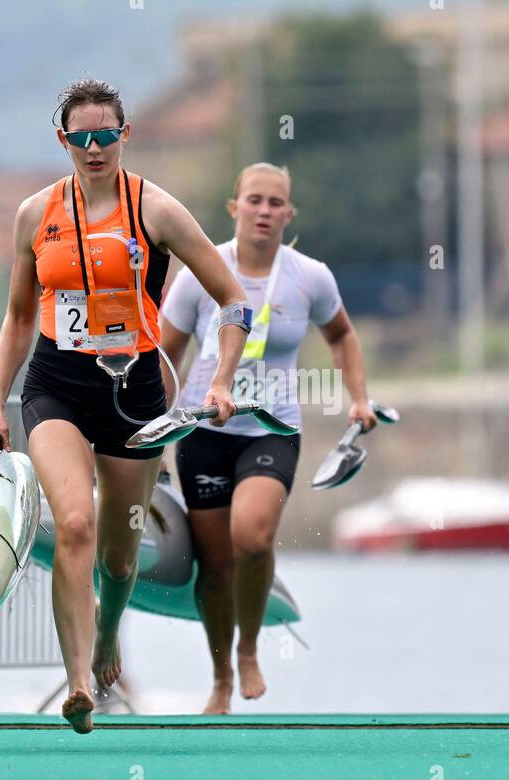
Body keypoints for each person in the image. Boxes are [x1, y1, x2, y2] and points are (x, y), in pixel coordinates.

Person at [0, 79, 250, 734]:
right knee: (72, 523)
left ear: (125, 135)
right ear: (62, 140)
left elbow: (234, 300)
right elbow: (18, 316)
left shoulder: (156, 212)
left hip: (135, 399)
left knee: (120, 560)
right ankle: (78, 682)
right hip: (56, 387)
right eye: (82, 137)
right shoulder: (34, 215)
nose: (95, 148)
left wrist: (222, 381)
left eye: (106, 135)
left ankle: (106, 639)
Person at [160, 163, 376, 714]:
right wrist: (156, 436)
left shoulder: (309, 277)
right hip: (203, 430)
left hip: (271, 429)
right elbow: (166, 355)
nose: (264, 210)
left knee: (251, 539)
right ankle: (220, 679)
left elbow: (342, 335)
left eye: (275, 203)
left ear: (289, 214)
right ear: (234, 209)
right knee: (214, 568)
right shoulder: (199, 273)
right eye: (254, 200)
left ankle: (250, 648)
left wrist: (357, 397)